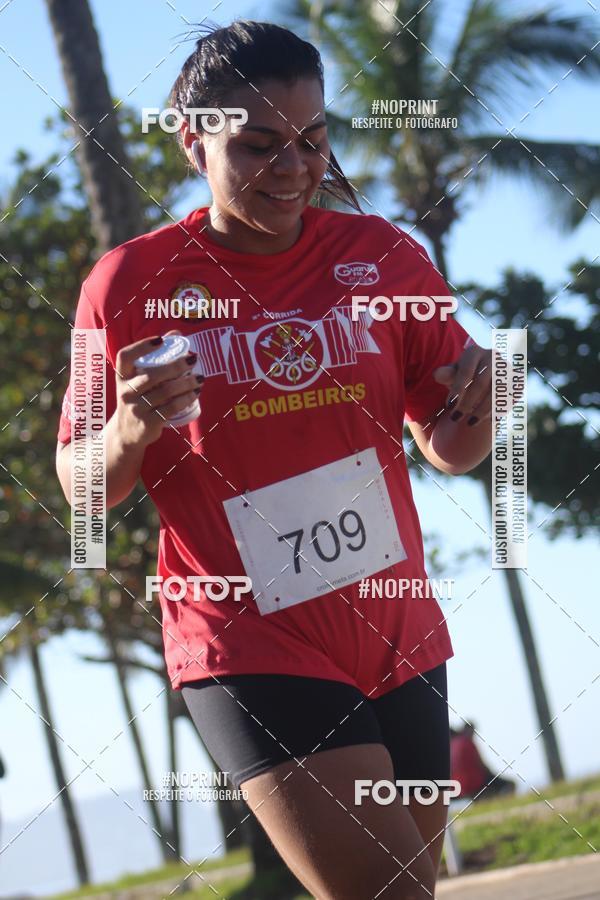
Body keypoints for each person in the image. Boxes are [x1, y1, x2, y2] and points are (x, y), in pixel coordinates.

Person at [56, 21, 494, 900]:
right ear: (193, 138)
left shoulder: (385, 257)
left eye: (313, 139)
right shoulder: (128, 282)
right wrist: (133, 431)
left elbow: (448, 445)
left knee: (412, 886)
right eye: (259, 145)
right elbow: (80, 487)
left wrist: (486, 403)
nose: (294, 167)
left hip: (397, 625)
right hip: (246, 636)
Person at [451, 723, 516, 800]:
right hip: (475, 781)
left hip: (459, 784)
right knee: (510, 784)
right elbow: (481, 764)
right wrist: (490, 773)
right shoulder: (468, 743)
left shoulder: (453, 744)